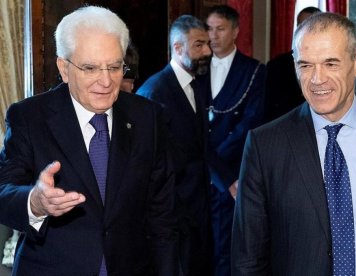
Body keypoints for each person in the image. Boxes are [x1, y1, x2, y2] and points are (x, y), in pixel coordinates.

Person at [232, 12, 356, 275]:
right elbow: (248, 259)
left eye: (331, 64)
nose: (317, 79)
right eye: (306, 65)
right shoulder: (265, 146)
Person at [0, 6, 177, 275]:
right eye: (91, 68)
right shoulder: (29, 117)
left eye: (115, 66)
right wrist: (35, 203)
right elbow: (4, 192)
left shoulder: (148, 117)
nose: (105, 81)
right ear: (64, 68)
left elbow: (162, 217)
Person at [137, 15, 212, 276]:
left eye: (208, 44)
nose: (208, 52)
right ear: (178, 48)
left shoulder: (197, 84)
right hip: (171, 219)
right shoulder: (154, 92)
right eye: (199, 45)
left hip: (197, 214)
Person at [201, 5, 265, 276]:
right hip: (199, 173)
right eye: (209, 29)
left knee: (227, 247)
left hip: (234, 175)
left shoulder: (254, 70)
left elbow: (250, 123)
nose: (213, 36)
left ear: (236, 31)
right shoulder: (197, 67)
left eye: (220, 29)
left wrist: (224, 173)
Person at [264, 6, 321, 122]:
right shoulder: (276, 65)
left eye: (311, 27)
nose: (305, 32)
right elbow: (267, 109)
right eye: (301, 26)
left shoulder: (333, 64)